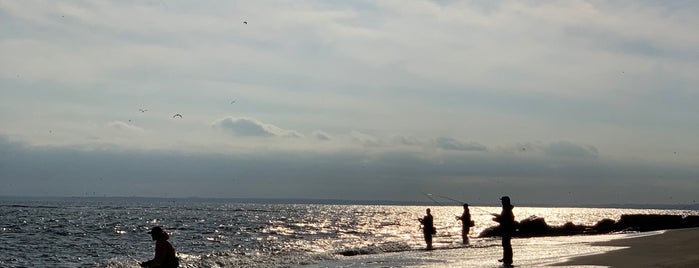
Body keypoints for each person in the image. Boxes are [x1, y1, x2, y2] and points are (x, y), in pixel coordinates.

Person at [491, 196, 516, 267]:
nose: (501, 202)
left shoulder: (507, 210)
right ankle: (506, 258)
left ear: (506, 202)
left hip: (507, 230)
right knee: (505, 244)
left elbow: (505, 220)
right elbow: (504, 218)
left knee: (506, 244)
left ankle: (508, 260)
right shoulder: (506, 209)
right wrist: (496, 215)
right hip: (506, 229)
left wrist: (496, 219)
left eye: (502, 201)